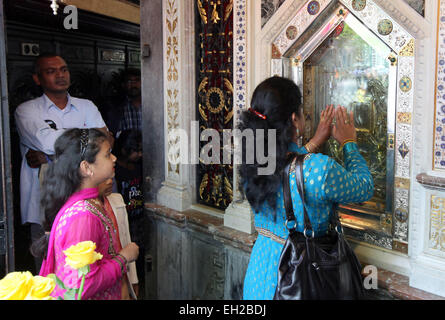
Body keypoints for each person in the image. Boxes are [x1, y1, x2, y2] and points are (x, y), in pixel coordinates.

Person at [239, 76, 374, 300]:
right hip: (298, 281)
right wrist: (349, 144)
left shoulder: (255, 161)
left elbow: (288, 169)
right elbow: (364, 187)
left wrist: (314, 142)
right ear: (294, 118)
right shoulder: (319, 169)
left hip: (259, 277)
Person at [14, 53, 112, 272]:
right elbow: (47, 141)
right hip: (45, 201)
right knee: (49, 267)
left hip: (87, 198)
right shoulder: (26, 111)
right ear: (37, 79)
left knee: (88, 264)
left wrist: (50, 157)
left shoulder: (85, 105)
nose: (60, 75)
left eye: (64, 69)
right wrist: (89, 135)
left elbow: (106, 140)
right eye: (51, 71)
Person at [32, 128, 139, 300]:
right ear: (86, 167)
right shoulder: (83, 216)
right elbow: (81, 286)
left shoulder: (92, 203)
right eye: (107, 154)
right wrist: (123, 258)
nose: (114, 158)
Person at [113, 130, 144, 289]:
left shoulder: (140, 166)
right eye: (136, 150)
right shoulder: (115, 170)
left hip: (139, 216)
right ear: (125, 150)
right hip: (125, 219)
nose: (140, 154)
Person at [98, 178, 139, 299]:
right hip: (104, 281)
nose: (110, 182)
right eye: (104, 178)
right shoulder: (83, 211)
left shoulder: (117, 200)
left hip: (123, 277)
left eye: (112, 177)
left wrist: (133, 278)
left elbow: (126, 239)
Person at [104, 69, 142, 136]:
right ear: (123, 85)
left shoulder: (153, 105)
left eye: (137, 80)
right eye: (129, 81)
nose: (133, 84)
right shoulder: (115, 106)